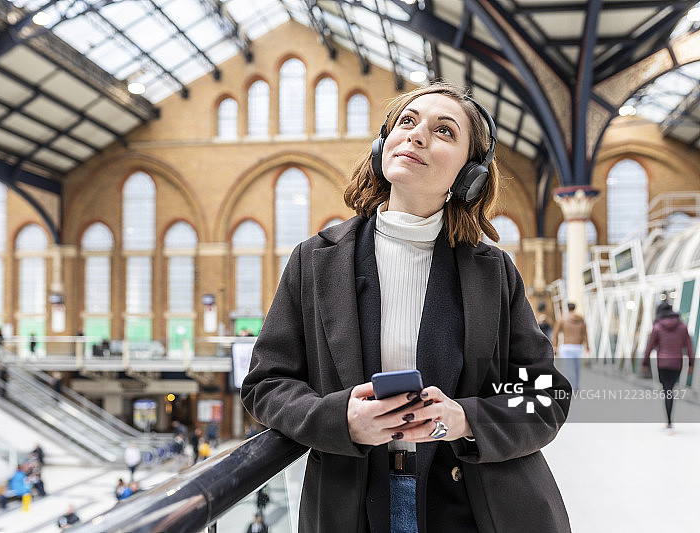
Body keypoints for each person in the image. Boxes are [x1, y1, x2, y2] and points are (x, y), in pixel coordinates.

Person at [241, 81, 572, 533]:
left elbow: (545, 395)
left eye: (444, 132)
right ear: (384, 143)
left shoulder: (492, 273)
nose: (416, 135)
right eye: (407, 122)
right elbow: (266, 384)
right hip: (353, 509)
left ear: (469, 174)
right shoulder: (316, 262)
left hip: (477, 510)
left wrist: (465, 420)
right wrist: (342, 420)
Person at [642, 303, 694, 431]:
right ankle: (669, 421)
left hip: (663, 364)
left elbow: (649, 346)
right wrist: (692, 364)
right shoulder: (682, 326)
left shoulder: (657, 326)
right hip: (677, 364)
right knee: (670, 390)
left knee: (667, 391)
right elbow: (689, 346)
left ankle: (669, 422)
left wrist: (644, 363)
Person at [552, 302, 588, 391]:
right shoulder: (581, 319)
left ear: (567, 308)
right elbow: (585, 334)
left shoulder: (562, 319)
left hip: (567, 347)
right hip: (578, 347)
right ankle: (576, 387)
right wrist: (588, 346)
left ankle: (572, 388)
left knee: (569, 369)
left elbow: (555, 333)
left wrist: (555, 346)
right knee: (577, 369)